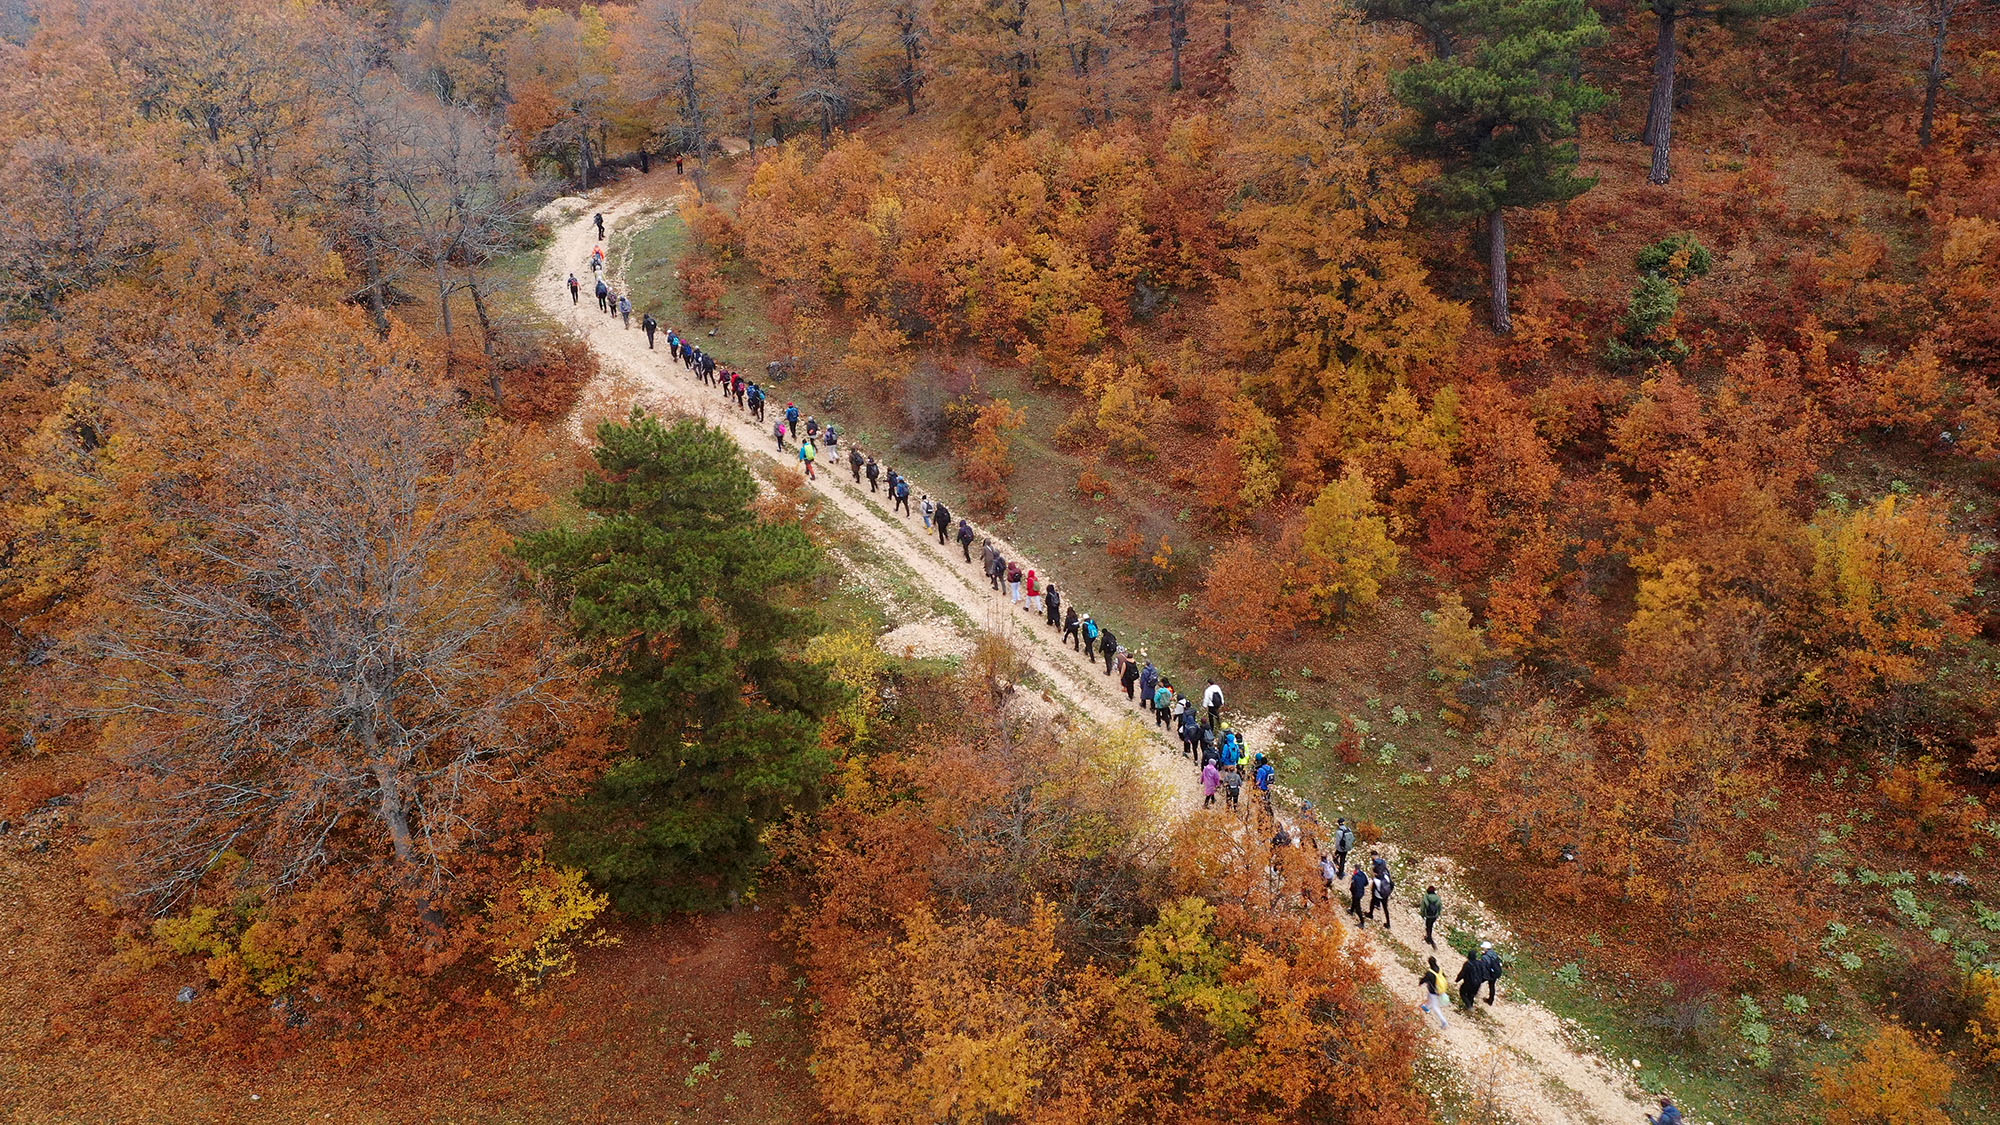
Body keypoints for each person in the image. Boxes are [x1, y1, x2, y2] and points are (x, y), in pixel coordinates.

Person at [1417, 957, 1451, 1029]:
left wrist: (1420, 983)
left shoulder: (1430, 973)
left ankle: (1444, 1022)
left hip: (1434, 991)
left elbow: (1425, 979)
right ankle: (1426, 1007)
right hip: (1440, 989)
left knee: (1435, 1007)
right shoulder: (1439, 969)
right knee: (1429, 999)